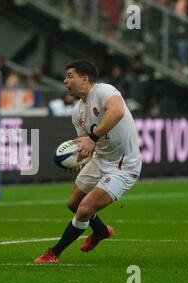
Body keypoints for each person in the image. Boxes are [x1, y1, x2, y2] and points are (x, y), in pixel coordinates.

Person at [34, 60, 142, 263]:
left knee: (85, 209)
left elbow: (117, 112)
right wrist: (79, 160)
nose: (65, 81)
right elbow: (86, 146)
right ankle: (100, 231)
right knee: (73, 203)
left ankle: (54, 253)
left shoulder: (104, 91)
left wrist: (92, 139)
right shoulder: (78, 112)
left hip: (123, 165)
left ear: (84, 79)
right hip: (101, 159)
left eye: (70, 76)